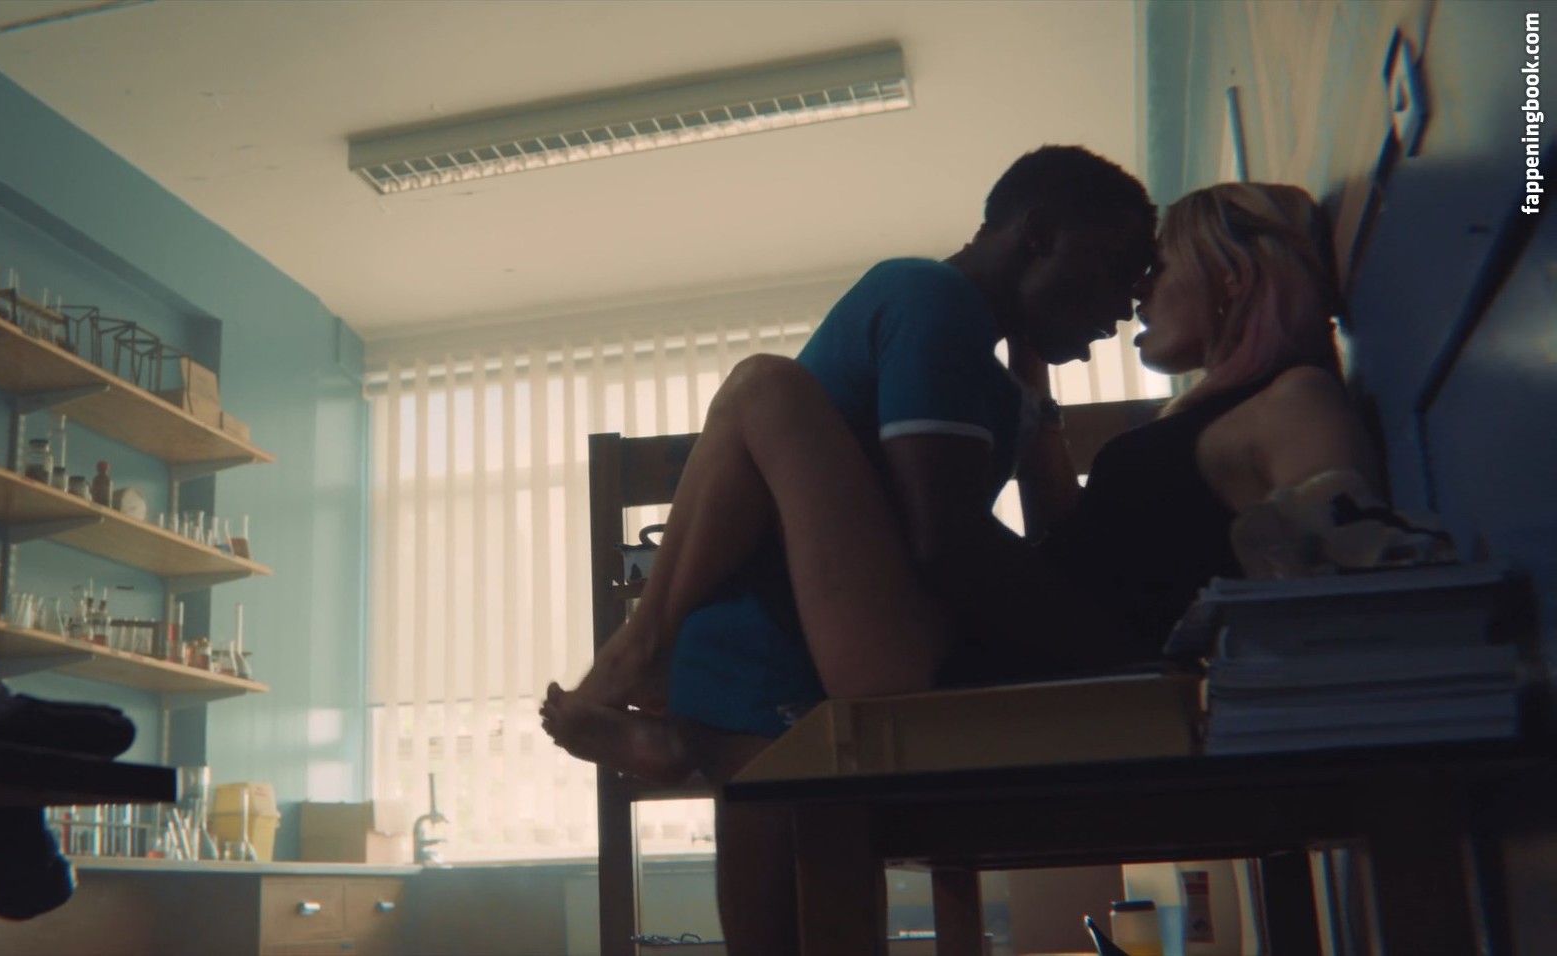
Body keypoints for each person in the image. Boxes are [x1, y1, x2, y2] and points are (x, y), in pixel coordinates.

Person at [540, 179, 1379, 952]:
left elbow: (1348, 581)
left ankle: (645, 657)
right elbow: (1079, 544)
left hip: (1001, 667)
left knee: (765, 389)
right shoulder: (1194, 415)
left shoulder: (1297, 399)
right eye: (1132, 268)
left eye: (1158, 269)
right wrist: (1031, 388)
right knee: (763, 758)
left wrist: (1144, 667)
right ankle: (675, 701)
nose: (1135, 294)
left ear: (1232, 277)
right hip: (1015, 654)